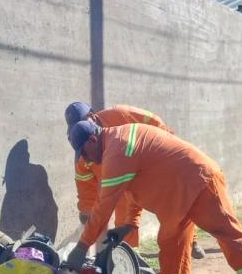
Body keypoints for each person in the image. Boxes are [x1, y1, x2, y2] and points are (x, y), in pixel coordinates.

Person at [65, 120, 242, 274]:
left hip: (199, 182)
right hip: (177, 197)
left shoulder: (118, 150)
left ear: (93, 140)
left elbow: (103, 208)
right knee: (171, 247)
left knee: (229, 236)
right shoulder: (116, 142)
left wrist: (82, 246)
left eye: (84, 153)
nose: (87, 161)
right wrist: (129, 224)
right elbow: (133, 188)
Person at [64, 101, 206, 259]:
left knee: (178, 205)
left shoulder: (120, 115)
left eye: (82, 124)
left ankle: (191, 241)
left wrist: (167, 149)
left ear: (92, 116)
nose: (79, 129)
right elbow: (84, 181)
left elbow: (155, 123)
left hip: (147, 170)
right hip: (117, 184)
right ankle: (131, 258)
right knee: (125, 220)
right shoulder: (81, 141)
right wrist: (86, 209)